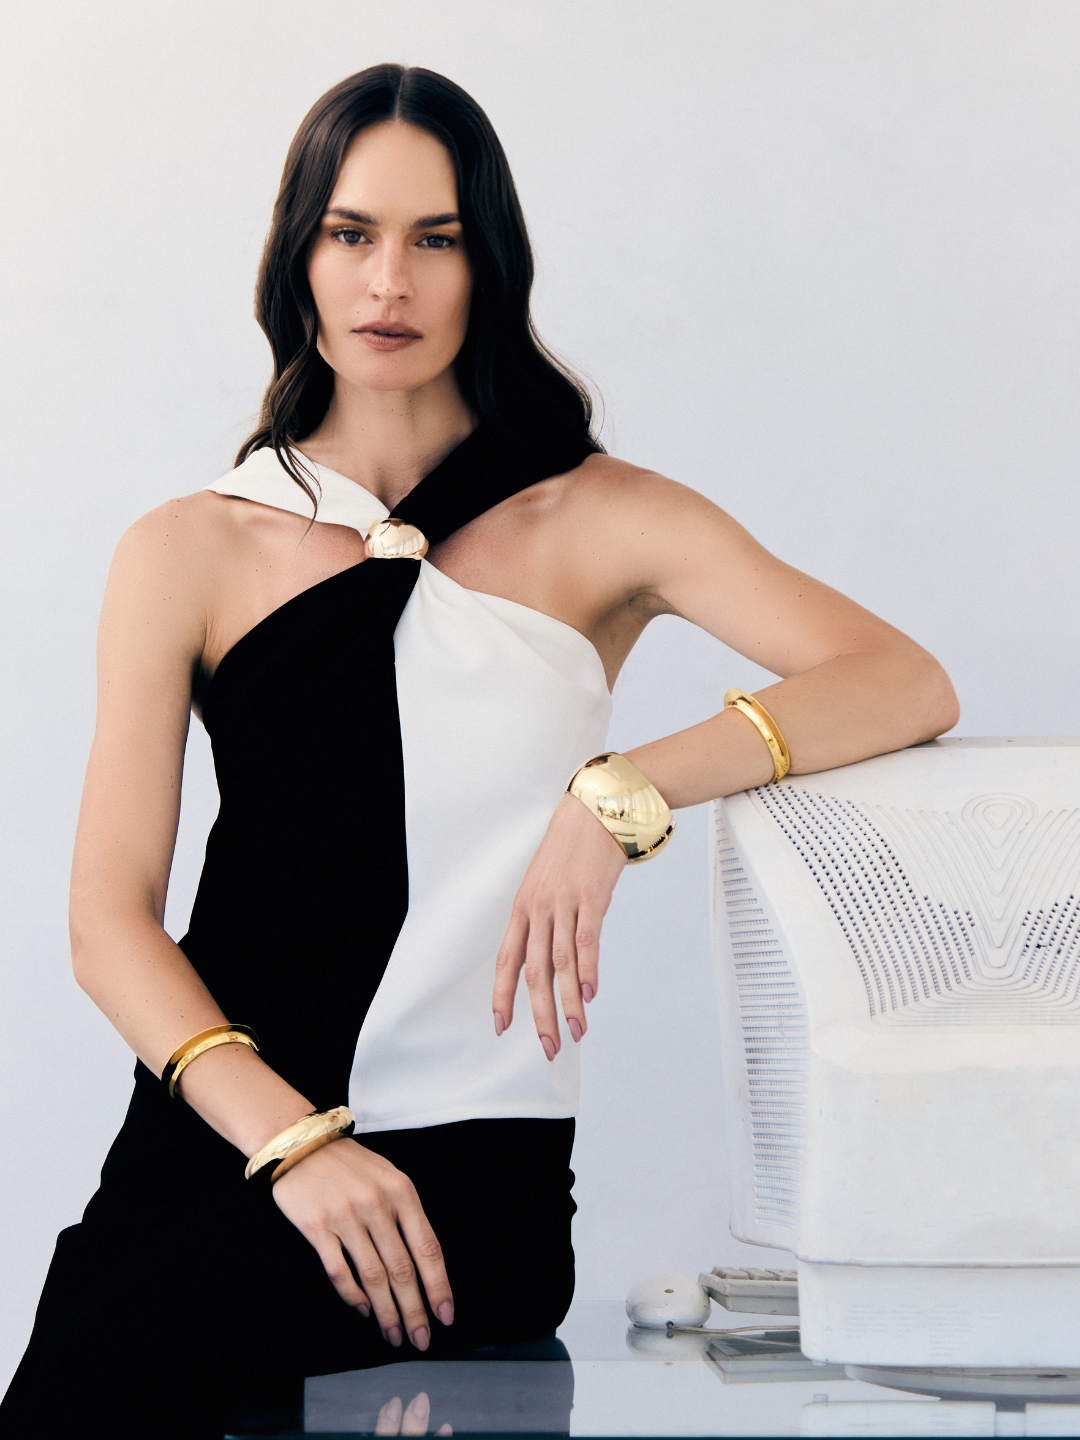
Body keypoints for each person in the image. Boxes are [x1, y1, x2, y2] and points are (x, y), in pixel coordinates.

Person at [0, 63, 959, 1439]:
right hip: (226, 1139)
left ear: (488, 263)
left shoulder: (600, 518)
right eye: (352, 233)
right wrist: (292, 1142)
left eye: (435, 239)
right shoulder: (188, 546)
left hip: (463, 1180)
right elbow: (107, 922)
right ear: (298, 255)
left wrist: (622, 792)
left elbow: (902, 681)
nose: (389, 281)